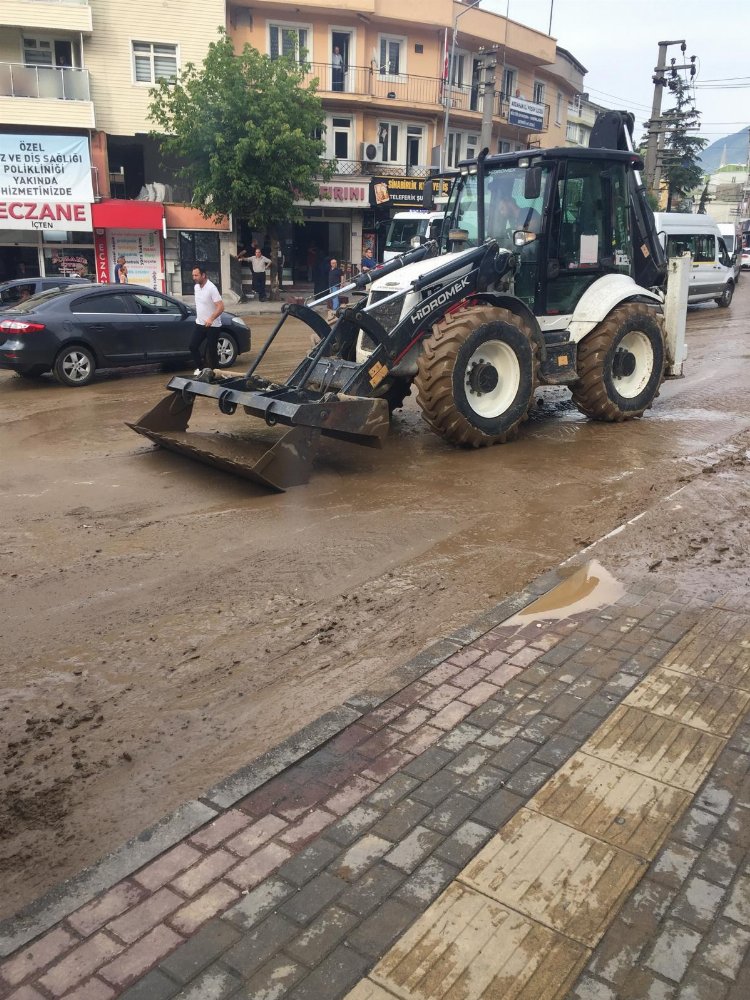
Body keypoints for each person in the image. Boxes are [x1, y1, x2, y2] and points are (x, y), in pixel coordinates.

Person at [189, 264, 224, 374]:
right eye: (193, 275)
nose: (194, 277)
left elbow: (221, 307)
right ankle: (202, 369)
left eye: (196, 275)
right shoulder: (196, 287)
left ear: (203, 275)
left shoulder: (211, 288)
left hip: (212, 325)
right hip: (200, 324)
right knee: (192, 346)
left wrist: (211, 318)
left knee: (212, 352)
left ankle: (216, 374)